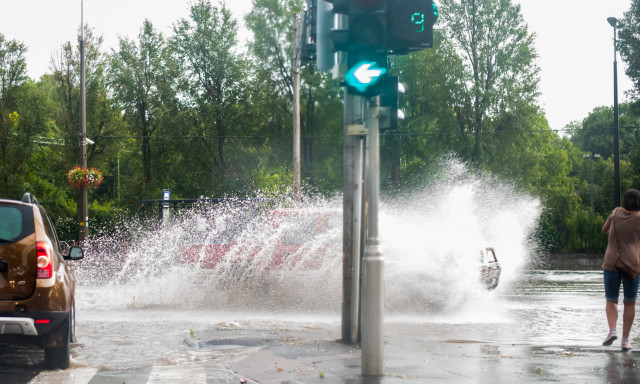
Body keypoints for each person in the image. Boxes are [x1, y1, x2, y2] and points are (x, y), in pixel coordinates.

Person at [601, 189, 640, 351]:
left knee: (611, 300)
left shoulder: (615, 213)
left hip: (611, 262)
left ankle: (612, 331)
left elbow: (605, 229)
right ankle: (625, 341)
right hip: (632, 264)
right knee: (629, 302)